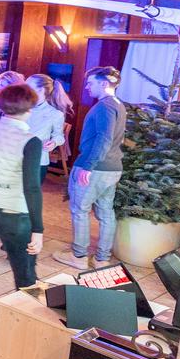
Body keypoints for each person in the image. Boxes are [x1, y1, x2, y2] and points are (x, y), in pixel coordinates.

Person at [0, 84, 45, 290]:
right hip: (13, 212)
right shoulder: (30, 140)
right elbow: (31, 187)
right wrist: (38, 229)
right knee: (25, 275)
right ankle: (26, 309)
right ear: (29, 109)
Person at [54, 66, 126, 270]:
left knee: (80, 210)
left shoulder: (104, 106)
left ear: (103, 83)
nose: (87, 87)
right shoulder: (119, 105)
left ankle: (78, 256)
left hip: (95, 168)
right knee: (106, 212)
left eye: (90, 83)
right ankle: (102, 259)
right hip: (113, 168)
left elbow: (104, 138)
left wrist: (88, 166)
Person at [26, 73, 72, 181]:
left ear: (41, 90)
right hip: (15, 158)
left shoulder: (55, 114)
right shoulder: (20, 107)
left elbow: (59, 136)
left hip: (38, 161)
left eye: (28, 87)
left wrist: (54, 143)